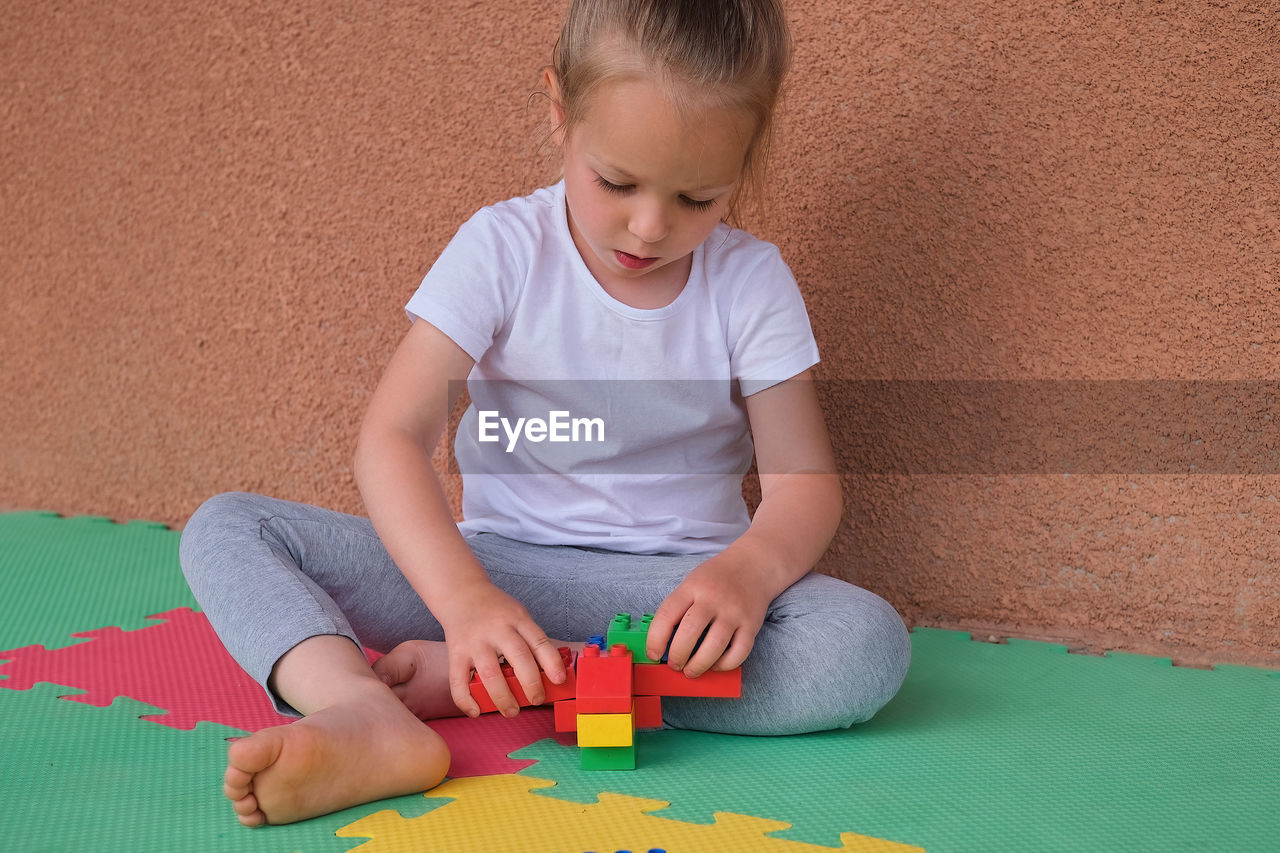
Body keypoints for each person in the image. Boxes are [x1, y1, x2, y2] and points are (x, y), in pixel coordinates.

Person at [180, 0, 910, 828]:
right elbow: (392, 437)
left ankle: (528, 679)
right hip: (495, 579)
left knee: (863, 642)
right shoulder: (501, 249)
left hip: (668, 603)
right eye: (616, 182)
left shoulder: (752, 282)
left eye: (697, 197)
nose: (649, 226)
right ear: (559, 109)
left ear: (747, 158)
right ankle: (364, 708)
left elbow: (804, 483)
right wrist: (465, 603)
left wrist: (746, 572)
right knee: (229, 527)